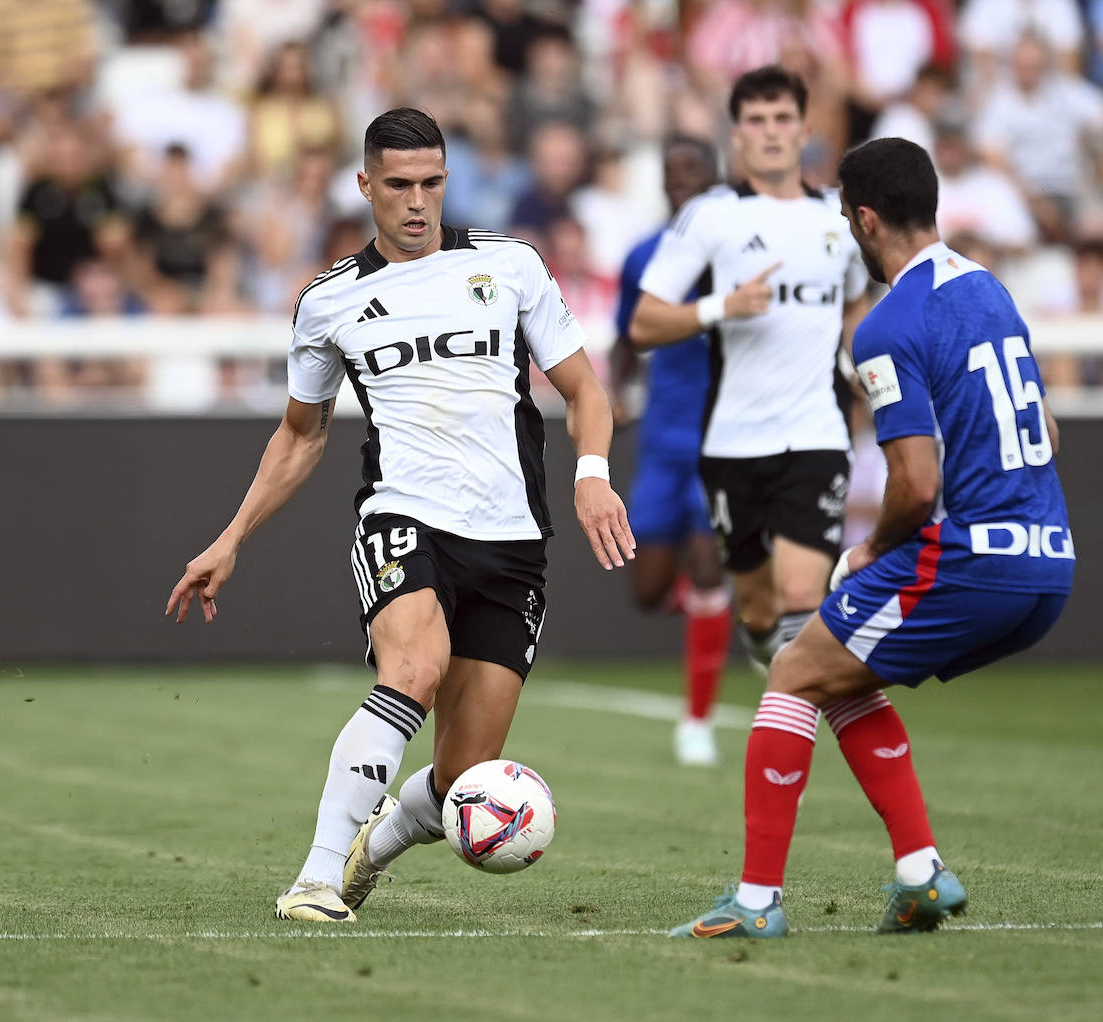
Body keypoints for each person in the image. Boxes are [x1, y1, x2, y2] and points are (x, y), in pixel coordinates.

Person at [165, 107, 634, 923]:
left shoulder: (511, 264)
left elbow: (587, 390)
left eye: (432, 184)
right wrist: (231, 536)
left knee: (463, 780)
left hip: (513, 538)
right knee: (411, 670)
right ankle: (313, 879)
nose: (417, 203)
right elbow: (300, 435)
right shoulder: (329, 301)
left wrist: (591, 473)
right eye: (399, 186)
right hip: (405, 516)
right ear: (365, 186)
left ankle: (368, 850)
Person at [670, 136, 1073, 939]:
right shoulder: (991, 291)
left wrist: (868, 551)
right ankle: (920, 873)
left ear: (862, 219)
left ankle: (755, 903)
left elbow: (917, 486)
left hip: (973, 558)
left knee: (790, 673)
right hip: (1051, 561)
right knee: (840, 669)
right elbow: (1049, 434)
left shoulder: (890, 325)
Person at [630, 65, 869, 682]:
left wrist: (862, 365)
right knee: (760, 607)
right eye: (756, 121)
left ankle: (791, 717)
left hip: (817, 433)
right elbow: (644, 324)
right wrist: (721, 308)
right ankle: (768, 653)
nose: (770, 132)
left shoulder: (837, 220)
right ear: (736, 135)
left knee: (799, 597)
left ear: (805, 130)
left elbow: (854, 305)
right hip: (733, 439)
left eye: (782, 119)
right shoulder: (711, 217)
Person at [612, 134, 732, 766]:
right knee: (648, 589)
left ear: (714, 181)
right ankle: (706, 606)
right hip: (663, 441)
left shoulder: (738, 252)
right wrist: (616, 392)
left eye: (692, 170)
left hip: (723, 441)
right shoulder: (643, 256)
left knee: (709, 564)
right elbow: (625, 339)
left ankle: (697, 722)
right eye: (671, 171)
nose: (679, 180)